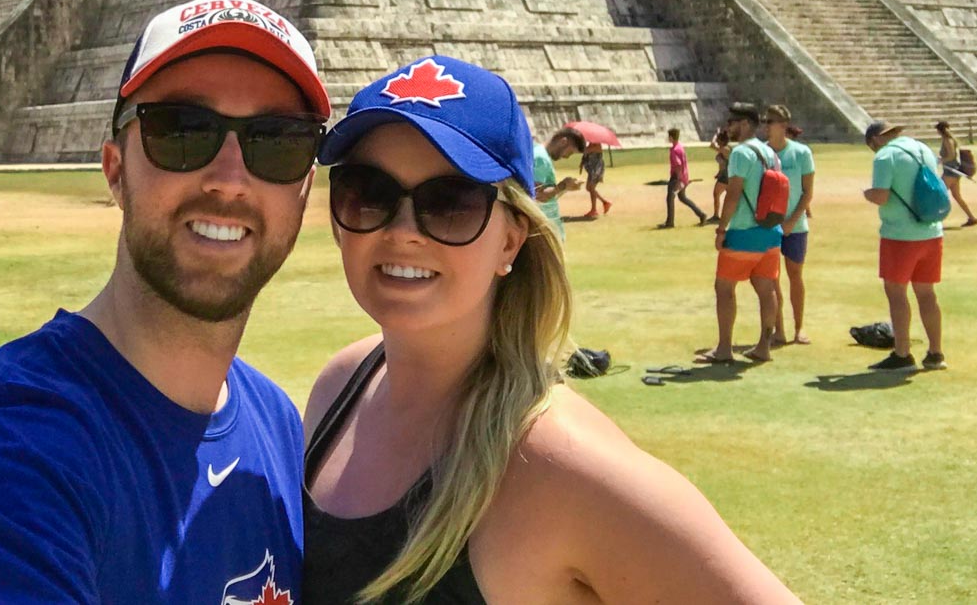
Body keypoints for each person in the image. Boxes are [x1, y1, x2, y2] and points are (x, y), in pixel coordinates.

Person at [305, 56, 796, 604]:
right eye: (367, 193)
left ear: (511, 241)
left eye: (450, 204)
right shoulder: (339, 386)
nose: (402, 232)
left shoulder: (560, 461)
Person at [0, 0, 329, 602]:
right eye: (182, 130)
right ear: (115, 169)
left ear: (305, 190)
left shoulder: (277, 422)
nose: (230, 179)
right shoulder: (12, 445)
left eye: (278, 142)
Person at [700, 103, 781, 364]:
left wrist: (721, 228)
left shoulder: (741, 153)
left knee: (724, 288)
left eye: (732, 122)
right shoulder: (770, 153)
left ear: (745, 123)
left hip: (744, 231)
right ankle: (763, 346)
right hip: (770, 231)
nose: (728, 127)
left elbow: (733, 194)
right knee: (766, 289)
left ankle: (724, 348)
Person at [863, 121, 946, 371]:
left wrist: (866, 193)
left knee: (896, 293)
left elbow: (882, 195)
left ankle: (902, 353)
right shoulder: (922, 148)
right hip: (931, 231)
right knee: (927, 294)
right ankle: (935, 352)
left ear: (875, 140)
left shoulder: (886, 156)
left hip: (900, 235)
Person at [763, 105, 813, 347]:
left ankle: (799, 327)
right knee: (772, 279)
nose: (765, 125)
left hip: (796, 226)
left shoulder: (801, 153)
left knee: (795, 276)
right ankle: (778, 329)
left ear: (783, 125)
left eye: (770, 121)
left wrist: (792, 220)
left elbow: (807, 192)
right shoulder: (761, 153)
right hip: (769, 226)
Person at [659, 126, 708, 228]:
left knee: (670, 197)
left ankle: (670, 222)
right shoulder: (680, 147)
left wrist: (678, 180)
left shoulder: (674, 150)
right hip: (683, 176)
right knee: (682, 197)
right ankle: (701, 214)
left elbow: (678, 165)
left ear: (671, 137)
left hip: (677, 177)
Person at [532, 133, 577, 237]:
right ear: (563, 141)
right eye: (569, 152)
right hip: (544, 227)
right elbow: (538, 195)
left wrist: (566, 187)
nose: (567, 157)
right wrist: (563, 185)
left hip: (547, 225)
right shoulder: (540, 158)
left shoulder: (541, 155)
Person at [935, 120, 977, 227]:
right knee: (957, 196)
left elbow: (951, 156)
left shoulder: (947, 140)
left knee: (938, 194)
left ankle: (935, 218)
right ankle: (972, 217)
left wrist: (941, 160)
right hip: (951, 170)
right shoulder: (949, 139)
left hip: (950, 171)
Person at [709, 128, 733, 221]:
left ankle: (716, 215)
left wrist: (715, 135)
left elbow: (711, 145)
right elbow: (723, 164)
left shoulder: (725, 149)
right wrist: (718, 173)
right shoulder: (724, 148)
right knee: (727, 196)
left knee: (716, 194)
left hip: (726, 177)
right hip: (725, 175)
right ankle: (723, 215)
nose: (717, 142)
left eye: (719, 140)